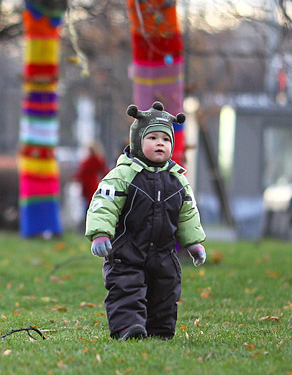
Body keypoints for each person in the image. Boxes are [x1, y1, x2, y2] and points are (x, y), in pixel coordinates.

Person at [85, 101, 206, 340]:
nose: (160, 143)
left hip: (163, 253)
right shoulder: (122, 175)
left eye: (166, 139)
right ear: (137, 141)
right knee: (127, 288)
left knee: (166, 291)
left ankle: (160, 331)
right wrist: (101, 234)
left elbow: (188, 214)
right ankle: (127, 327)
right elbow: (104, 205)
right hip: (127, 250)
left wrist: (194, 243)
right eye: (153, 138)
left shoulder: (178, 180)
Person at [74, 141, 108, 221]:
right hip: (90, 186)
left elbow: (81, 173)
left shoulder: (91, 161)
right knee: (89, 205)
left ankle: (88, 222)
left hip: (89, 186)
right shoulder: (96, 160)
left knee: (89, 205)